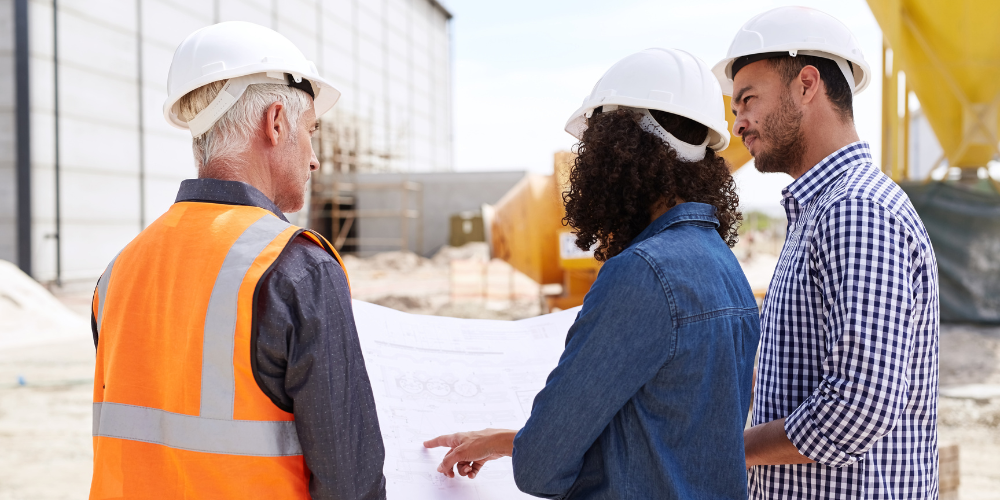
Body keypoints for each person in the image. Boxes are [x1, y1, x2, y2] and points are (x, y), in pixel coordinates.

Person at [424, 48, 761, 499]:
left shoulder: (641, 275)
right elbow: (674, 442)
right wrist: (509, 441)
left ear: (620, 150)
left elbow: (542, 467)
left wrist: (526, 448)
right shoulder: (725, 267)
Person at [89, 22, 386, 499]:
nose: (313, 159)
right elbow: (349, 480)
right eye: (310, 131)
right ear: (275, 122)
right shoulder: (297, 268)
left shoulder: (119, 271)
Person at [713, 6, 940, 498]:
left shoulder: (856, 210)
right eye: (736, 110)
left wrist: (726, 449)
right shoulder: (819, 211)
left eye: (748, 100)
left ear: (807, 84)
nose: (740, 125)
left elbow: (859, 407)